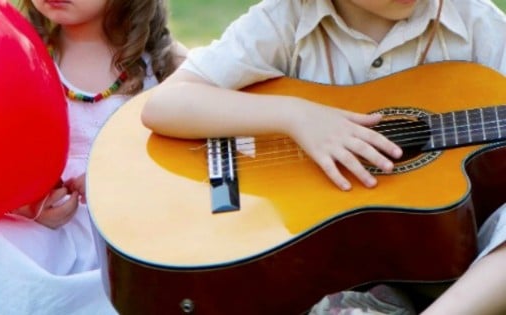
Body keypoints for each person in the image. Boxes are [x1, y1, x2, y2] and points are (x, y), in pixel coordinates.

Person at [141, 0, 506, 314]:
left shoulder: (474, 21)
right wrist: (296, 116)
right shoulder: (285, 20)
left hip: (455, 252)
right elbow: (164, 104)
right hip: (324, 254)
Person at [0, 0, 185, 314]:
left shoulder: (166, 65)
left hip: (129, 239)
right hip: (46, 231)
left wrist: (115, 183)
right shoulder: (16, 50)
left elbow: (186, 165)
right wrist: (28, 206)